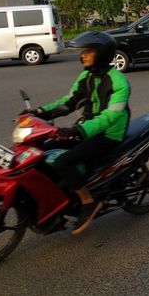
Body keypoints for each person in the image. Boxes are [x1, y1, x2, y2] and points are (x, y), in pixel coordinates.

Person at [22, 31, 130, 234]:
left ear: (101, 54)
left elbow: (110, 117)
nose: (83, 56)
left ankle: (88, 202)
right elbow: (68, 102)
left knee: (63, 161)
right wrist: (40, 112)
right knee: (42, 152)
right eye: (83, 52)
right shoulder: (86, 76)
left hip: (109, 134)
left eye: (88, 52)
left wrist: (78, 130)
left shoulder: (119, 82)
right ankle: (59, 200)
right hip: (86, 128)